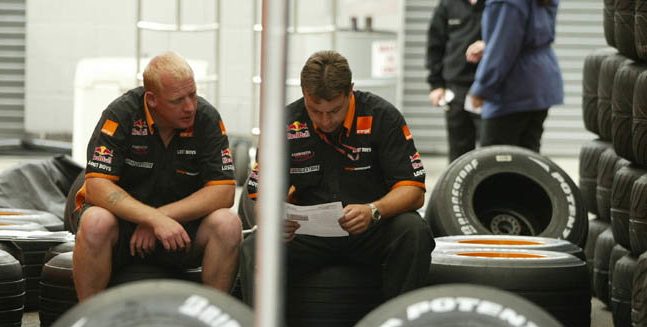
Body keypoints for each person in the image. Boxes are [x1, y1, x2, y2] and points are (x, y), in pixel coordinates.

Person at [239, 50, 435, 305]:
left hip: (371, 228)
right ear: (303, 93)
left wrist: (374, 210)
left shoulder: (382, 116)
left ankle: (398, 326)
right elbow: (260, 193)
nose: (324, 120)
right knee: (254, 247)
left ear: (350, 90)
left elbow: (414, 190)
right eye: (315, 110)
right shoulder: (283, 124)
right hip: (307, 234)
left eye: (334, 110)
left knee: (414, 231)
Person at [71, 51, 241, 300]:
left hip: (182, 228)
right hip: (123, 228)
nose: (190, 107)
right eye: (177, 100)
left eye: (192, 95)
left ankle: (213, 320)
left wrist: (160, 218)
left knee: (228, 224)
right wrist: (150, 218)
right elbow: (97, 185)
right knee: (95, 221)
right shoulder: (121, 115)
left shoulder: (206, 118)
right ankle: (89, 321)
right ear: (151, 99)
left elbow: (224, 192)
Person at [466, 0, 563, 152]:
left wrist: (481, 89)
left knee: (493, 162)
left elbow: (501, 51)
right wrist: (490, 44)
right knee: (527, 160)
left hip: (513, 88)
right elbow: (527, 31)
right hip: (540, 82)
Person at [425, 0, 485, 162]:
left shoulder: (495, 4)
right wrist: (436, 85)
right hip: (456, 88)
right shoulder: (448, 5)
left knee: (490, 148)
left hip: (487, 88)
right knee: (459, 151)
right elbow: (435, 45)